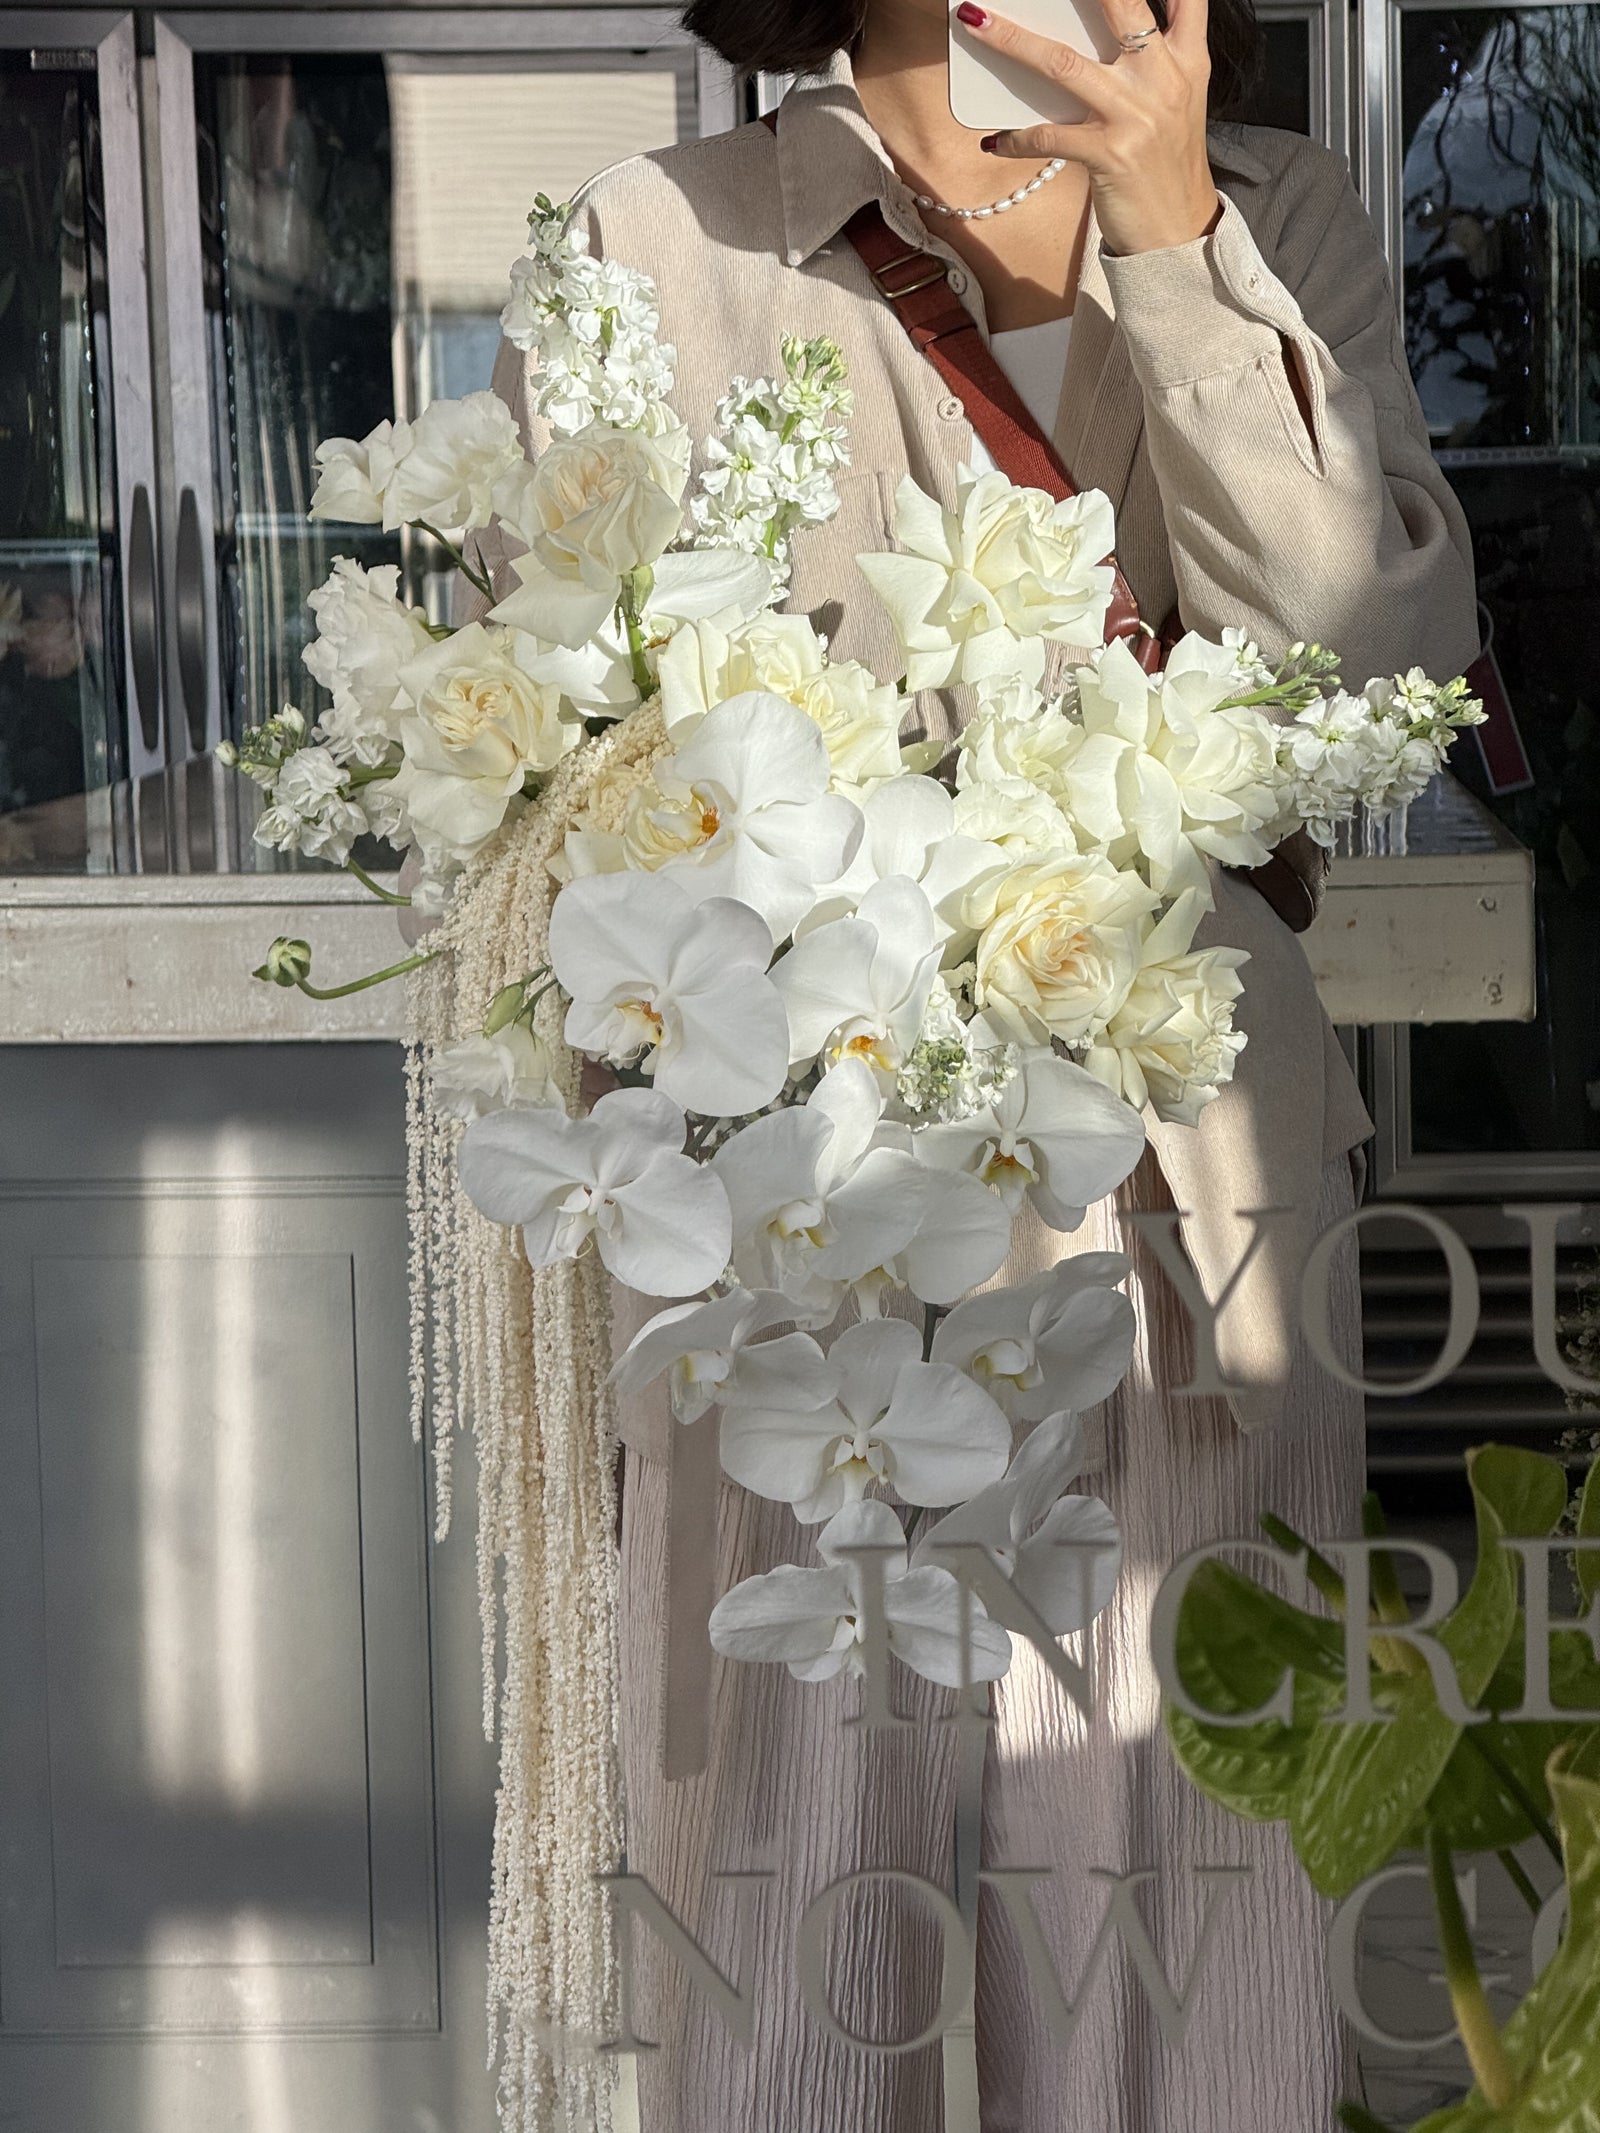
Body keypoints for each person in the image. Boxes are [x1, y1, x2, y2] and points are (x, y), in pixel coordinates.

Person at [478, 0, 1481, 2124]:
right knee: (776, 1888)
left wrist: (1171, 224)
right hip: (801, 1232)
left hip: (1197, 1212)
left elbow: (1358, 663)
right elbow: (577, 761)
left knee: (1195, 1870)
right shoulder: (654, 244)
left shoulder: (1282, 211)